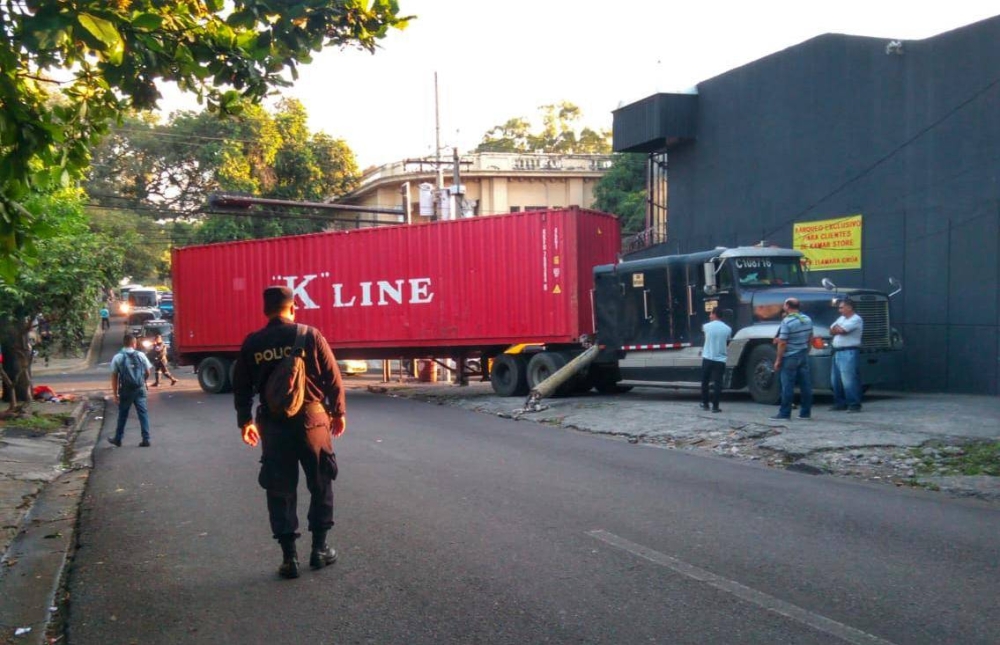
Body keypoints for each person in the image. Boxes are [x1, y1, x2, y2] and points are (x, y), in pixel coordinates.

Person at [233, 286, 347, 580]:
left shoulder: (253, 343)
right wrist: (338, 412)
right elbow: (332, 376)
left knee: (279, 488)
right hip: (313, 419)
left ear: (265, 311)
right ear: (293, 307)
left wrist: (245, 421)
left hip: (273, 424)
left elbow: (242, 386)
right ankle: (319, 550)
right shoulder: (309, 335)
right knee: (320, 481)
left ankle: (289, 558)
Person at [771, 298, 813, 420]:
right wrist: (807, 350)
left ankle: (785, 413)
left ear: (788, 306)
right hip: (803, 354)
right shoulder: (807, 319)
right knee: (805, 385)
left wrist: (778, 359)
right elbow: (810, 336)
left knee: (787, 386)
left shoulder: (787, 322)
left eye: (784, 304)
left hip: (790, 357)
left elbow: (783, 342)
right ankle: (805, 412)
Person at [108, 334, 153, 447]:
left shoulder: (118, 357)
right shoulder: (141, 355)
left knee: (123, 414)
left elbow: (114, 377)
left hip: (126, 390)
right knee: (143, 414)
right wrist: (142, 381)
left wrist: (115, 394)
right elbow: (148, 372)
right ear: (134, 344)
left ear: (124, 343)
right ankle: (146, 439)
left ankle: (118, 439)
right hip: (139, 388)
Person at [829, 297, 864, 412]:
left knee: (849, 379)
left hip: (848, 351)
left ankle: (854, 404)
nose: (840, 310)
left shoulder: (856, 319)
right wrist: (836, 329)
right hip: (838, 351)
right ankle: (840, 403)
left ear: (849, 307)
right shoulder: (842, 318)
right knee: (836, 380)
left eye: (842, 308)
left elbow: (842, 331)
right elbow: (831, 329)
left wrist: (837, 329)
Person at [700, 307, 732, 413]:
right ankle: (715, 406)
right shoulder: (728, 329)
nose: (709, 316)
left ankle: (705, 403)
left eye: (710, 314)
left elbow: (705, 338)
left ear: (714, 314)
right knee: (717, 383)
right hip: (720, 359)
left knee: (705, 381)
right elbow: (727, 341)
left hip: (708, 357)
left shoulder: (706, 327)